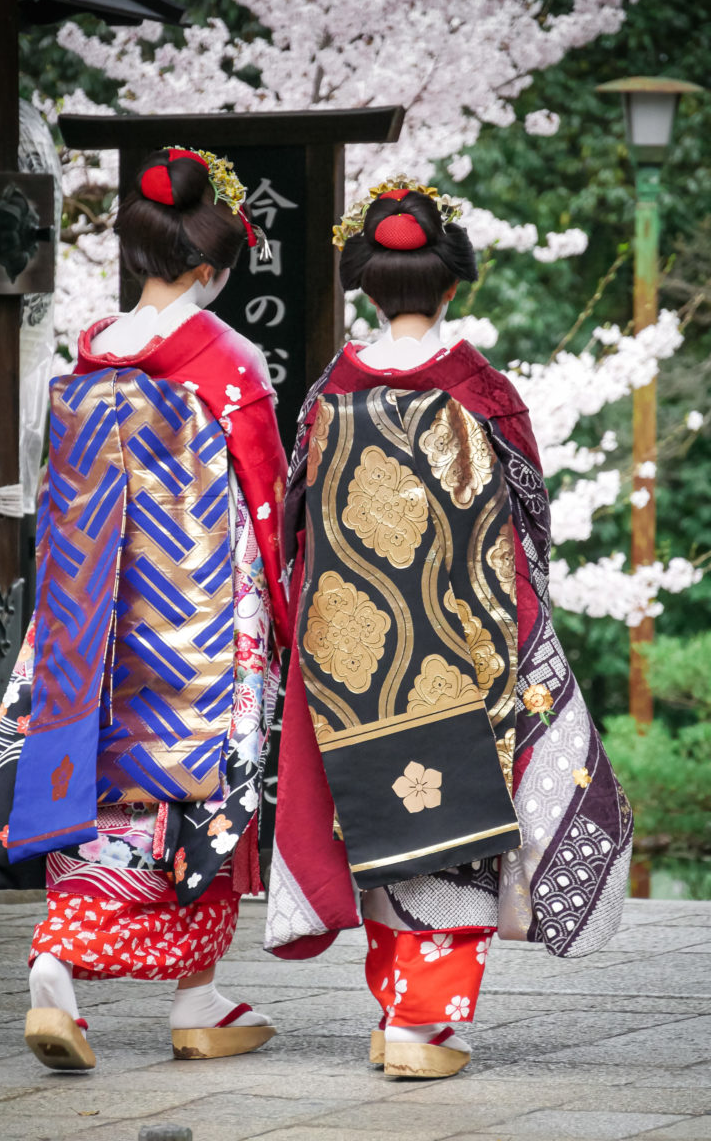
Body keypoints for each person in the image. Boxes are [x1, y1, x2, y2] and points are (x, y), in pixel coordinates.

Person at [266, 179, 633, 1079]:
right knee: (460, 821)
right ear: (454, 285)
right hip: (470, 647)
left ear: (367, 286)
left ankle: (397, 1009)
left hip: (352, 655)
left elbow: (295, 525)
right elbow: (530, 519)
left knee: (378, 818)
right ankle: (420, 1028)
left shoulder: (327, 397)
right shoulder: (479, 389)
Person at [0, 147, 290, 1071]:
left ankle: (172, 988)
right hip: (202, 622)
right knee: (196, 792)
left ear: (139, 259)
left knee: (90, 775)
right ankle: (89, 965)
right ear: (209, 271)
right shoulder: (229, 362)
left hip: (90, 627)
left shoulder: (90, 360)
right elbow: (264, 500)